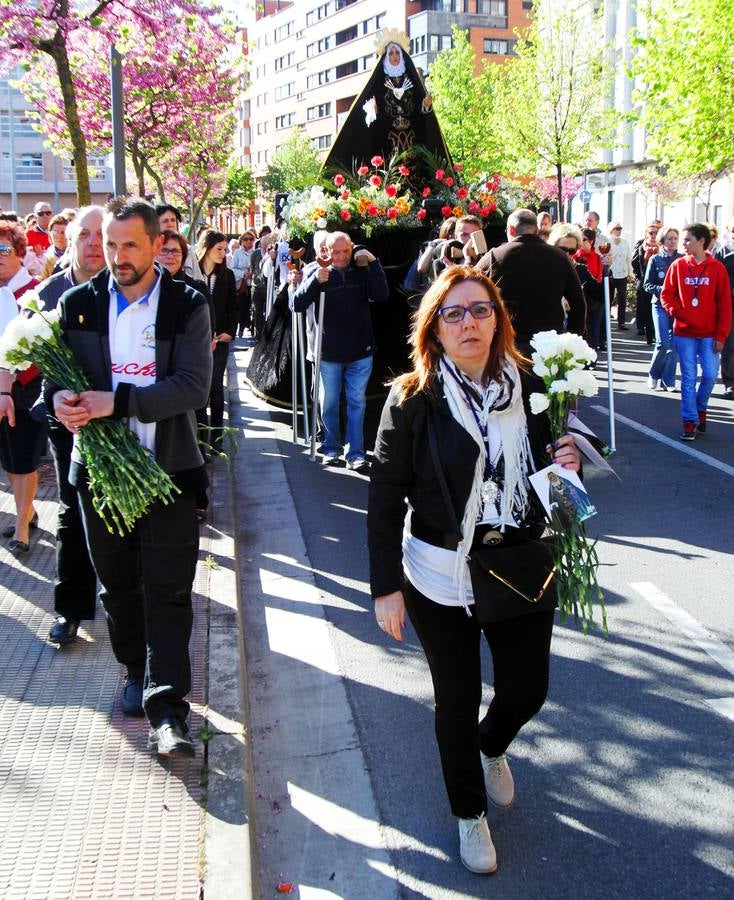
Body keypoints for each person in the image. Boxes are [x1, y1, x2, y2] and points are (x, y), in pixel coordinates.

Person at [367, 265, 580, 875]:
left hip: (517, 564)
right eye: (454, 313)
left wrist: (569, 464)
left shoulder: (536, 388)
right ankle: (469, 816)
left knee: (527, 689)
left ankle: (493, 746)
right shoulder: (412, 399)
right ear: (434, 327)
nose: (469, 322)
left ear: (498, 319)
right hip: (439, 574)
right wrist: (385, 586)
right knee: (454, 701)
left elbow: (553, 482)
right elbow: (384, 498)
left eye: (480, 310)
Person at [47, 197, 212, 757]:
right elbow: (58, 383)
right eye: (109, 245)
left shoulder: (186, 305)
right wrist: (64, 403)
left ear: (155, 243)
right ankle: (135, 671)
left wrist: (113, 403)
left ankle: (168, 710)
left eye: (127, 246)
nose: (115, 256)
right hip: (98, 473)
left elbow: (193, 386)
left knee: (168, 591)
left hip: (167, 474)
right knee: (118, 587)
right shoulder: (78, 304)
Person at [39, 205, 105, 646]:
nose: (95, 244)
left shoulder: (124, 290)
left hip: (116, 418)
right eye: (86, 235)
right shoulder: (46, 295)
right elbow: (34, 360)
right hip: (67, 422)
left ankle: (121, 603)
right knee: (71, 510)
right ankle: (71, 610)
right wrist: (58, 397)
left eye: (104, 236)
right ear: (70, 239)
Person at [293, 231, 389, 472]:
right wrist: (316, 281)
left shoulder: (361, 271)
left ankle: (355, 453)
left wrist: (373, 261)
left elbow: (381, 294)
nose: (342, 256)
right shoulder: (318, 271)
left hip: (360, 350)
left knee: (357, 402)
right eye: (336, 252)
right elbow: (296, 304)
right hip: (329, 353)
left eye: (346, 251)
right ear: (325, 251)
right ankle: (331, 447)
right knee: (330, 403)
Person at [476, 209, 586, 353]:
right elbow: (578, 303)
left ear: (511, 229)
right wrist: (571, 338)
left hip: (509, 344)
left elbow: (471, 289)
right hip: (550, 345)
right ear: (536, 230)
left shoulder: (495, 256)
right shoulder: (560, 257)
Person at [660, 224, 731, 440]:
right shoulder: (678, 265)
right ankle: (689, 420)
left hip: (709, 333)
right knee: (689, 377)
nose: (683, 243)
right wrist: (678, 312)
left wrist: (721, 336)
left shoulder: (717, 268)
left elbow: (725, 305)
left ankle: (701, 408)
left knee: (710, 375)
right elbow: (666, 295)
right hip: (684, 332)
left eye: (687, 239)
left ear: (701, 241)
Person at [0, 221, 46, 556]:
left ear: (19, 252)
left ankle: (21, 528)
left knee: (24, 459)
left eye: (3, 249)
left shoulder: (33, 291)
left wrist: (12, 380)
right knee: (9, 460)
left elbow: (41, 346)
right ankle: (25, 512)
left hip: (25, 388)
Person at [196, 229, 238, 451]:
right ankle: (200, 441)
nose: (223, 253)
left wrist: (230, 332)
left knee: (215, 387)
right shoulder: (193, 273)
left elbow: (233, 306)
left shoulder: (226, 275)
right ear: (206, 248)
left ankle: (217, 440)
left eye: (225, 249)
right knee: (200, 391)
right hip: (197, 341)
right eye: (219, 249)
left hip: (219, 339)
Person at [644, 226, 681, 391]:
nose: (672, 242)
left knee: (674, 344)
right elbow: (647, 285)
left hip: (677, 306)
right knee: (663, 342)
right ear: (663, 241)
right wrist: (664, 290)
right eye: (669, 239)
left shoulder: (682, 259)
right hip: (659, 305)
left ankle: (668, 380)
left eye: (675, 238)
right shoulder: (655, 259)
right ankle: (653, 374)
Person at [574, 228, 606, 355]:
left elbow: (599, 277)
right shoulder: (574, 256)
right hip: (579, 297)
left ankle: (592, 355)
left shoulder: (598, 257)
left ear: (591, 241)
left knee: (594, 329)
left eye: (584, 240)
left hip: (594, 298)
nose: (581, 243)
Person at [155, 203, 203, 280]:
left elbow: (198, 278)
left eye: (173, 220)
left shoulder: (188, 250)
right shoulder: (149, 249)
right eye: (165, 221)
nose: (170, 224)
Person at [631, 221, 661, 343]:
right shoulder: (641, 247)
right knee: (644, 307)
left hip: (657, 283)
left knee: (654, 307)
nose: (653, 235)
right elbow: (634, 263)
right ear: (646, 234)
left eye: (656, 233)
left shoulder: (662, 248)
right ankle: (644, 331)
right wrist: (639, 276)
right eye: (651, 233)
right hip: (643, 281)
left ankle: (653, 334)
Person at [606, 221, 634, 330]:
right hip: (611, 273)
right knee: (609, 298)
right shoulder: (607, 241)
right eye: (616, 228)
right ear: (611, 229)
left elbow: (628, 258)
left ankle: (621, 322)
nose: (619, 230)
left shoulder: (625, 242)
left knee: (622, 299)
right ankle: (606, 321)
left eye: (620, 228)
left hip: (622, 273)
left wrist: (630, 273)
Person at [38, 213, 69, 281]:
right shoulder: (46, 259)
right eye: (55, 232)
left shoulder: (77, 254)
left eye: (63, 232)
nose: (59, 236)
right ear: (50, 234)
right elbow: (40, 281)